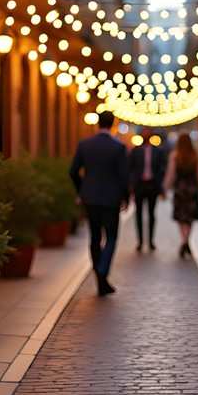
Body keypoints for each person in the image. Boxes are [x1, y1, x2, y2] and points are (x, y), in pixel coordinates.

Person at [69, 111, 129, 295]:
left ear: (97, 123)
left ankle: (99, 276)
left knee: (94, 237)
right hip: (111, 198)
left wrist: (82, 190)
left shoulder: (85, 145)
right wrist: (125, 197)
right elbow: (123, 176)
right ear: (112, 124)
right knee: (111, 236)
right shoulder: (118, 147)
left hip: (90, 198)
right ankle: (102, 271)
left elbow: (73, 171)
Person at [163, 133, 198, 258]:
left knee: (181, 216)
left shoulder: (174, 156)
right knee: (190, 217)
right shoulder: (195, 156)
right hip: (192, 189)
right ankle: (186, 241)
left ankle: (184, 240)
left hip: (180, 189)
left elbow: (171, 174)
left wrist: (166, 188)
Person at [128, 127, 168, 252]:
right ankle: (140, 241)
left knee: (151, 214)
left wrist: (161, 187)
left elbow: (162, 168)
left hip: (152, 185)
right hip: (139, 185)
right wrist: (131, 187)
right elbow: (130, 168)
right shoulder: (135, 151)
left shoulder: (158, 151)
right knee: (138, 213)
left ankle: (150, 241)